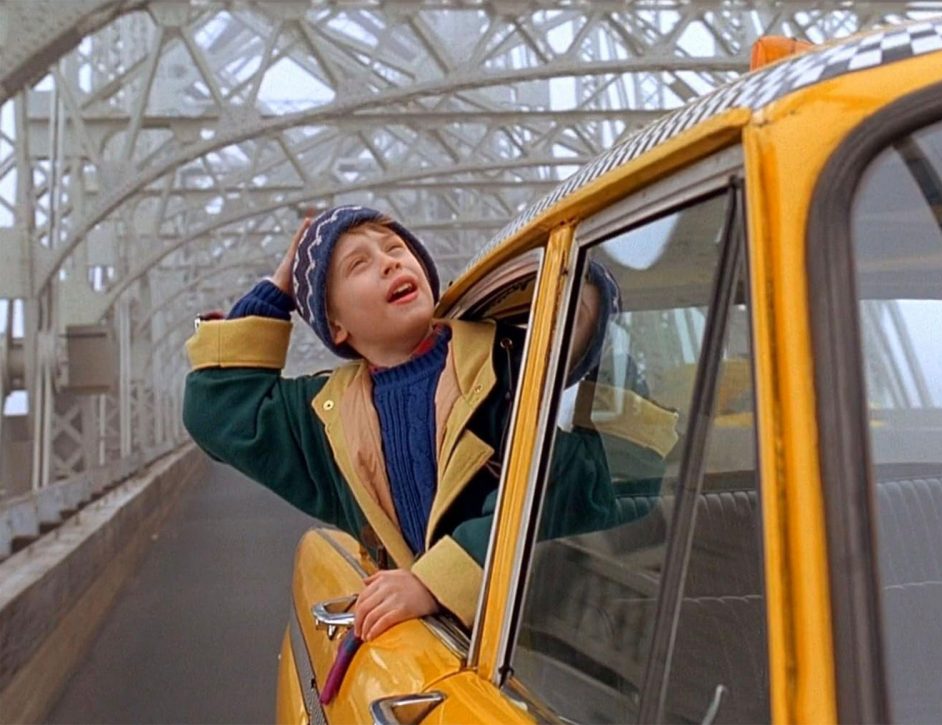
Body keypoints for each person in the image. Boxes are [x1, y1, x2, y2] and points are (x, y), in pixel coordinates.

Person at [182, 205, 674, 640]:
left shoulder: (506, 359)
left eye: (396, 248)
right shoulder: (329, 417)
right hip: (458, 656)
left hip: (550, 638)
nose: (389, 261)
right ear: (336, 327)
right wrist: (279, 288)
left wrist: (435, 582)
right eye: (359, 264)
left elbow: (560, 481)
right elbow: (217, 410)